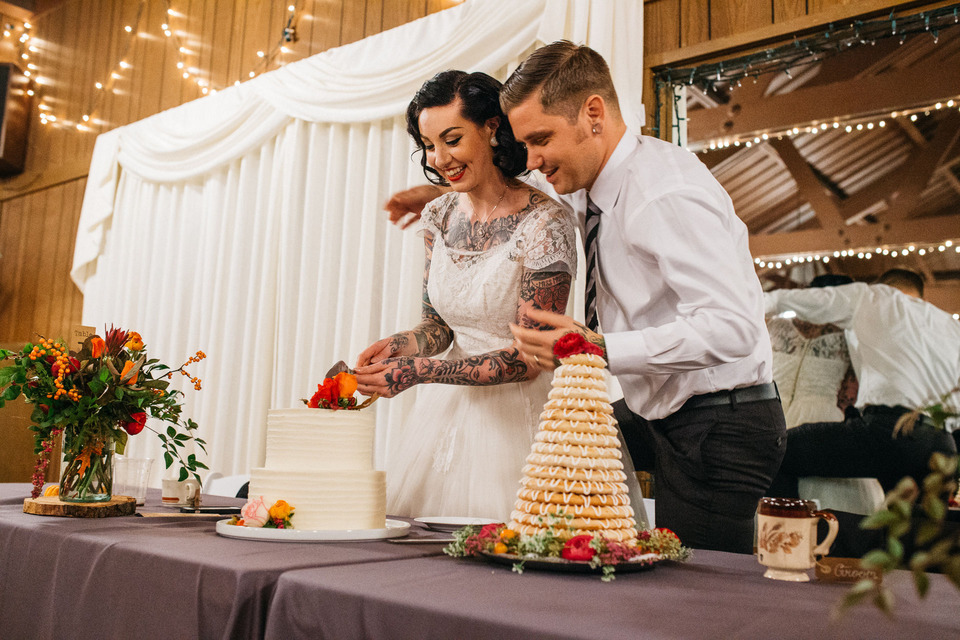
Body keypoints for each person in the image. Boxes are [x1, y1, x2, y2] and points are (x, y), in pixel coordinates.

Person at [385, 42, 786, 553]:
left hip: (721, 423)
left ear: (593, 113)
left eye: (539, 139)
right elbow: (510, 185)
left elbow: (734, 328)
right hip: (657, 408)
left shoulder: (663, 193)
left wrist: (595, 349)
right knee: (568, 479)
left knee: (691, 594)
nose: (529, 159)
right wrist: (450, 189)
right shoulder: (586, 181)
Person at [353, 70, 584, 521]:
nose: (439, 158)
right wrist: (401, 346)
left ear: (493, 128)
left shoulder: (546, 224)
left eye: (452, 139)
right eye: (428, 145)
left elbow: (530, 358)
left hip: (521, 423)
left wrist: (419, 370)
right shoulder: (438, 214)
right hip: (442, 418)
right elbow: (437, 326)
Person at [765, 268, 960, 500]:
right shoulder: (950, 325)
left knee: (777, 451)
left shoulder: (872, 297)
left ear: (882, 286)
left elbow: (789, 300)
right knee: (919, 529)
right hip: (944, 445)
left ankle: (789, 531)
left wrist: (755, 303)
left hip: (890, 432)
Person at [766, 274, 884, 515]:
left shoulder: (774, 326)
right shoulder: (851, 334)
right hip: (821, 418)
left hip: (772, 416)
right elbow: (856, 390)